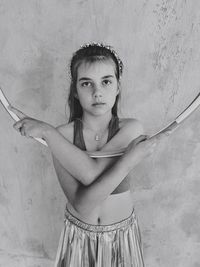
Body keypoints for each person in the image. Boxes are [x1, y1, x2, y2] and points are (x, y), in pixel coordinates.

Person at [10, 43, 167, 267]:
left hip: (121, 240)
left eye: (106, 81)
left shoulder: (131, 129)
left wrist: (48, 133)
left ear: (118, 86)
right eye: (86, 83)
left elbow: (92, 174)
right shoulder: (60, 135)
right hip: (78, 240)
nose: (97, 92)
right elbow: (82, 204)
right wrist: (129, 159)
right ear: (75, 90)